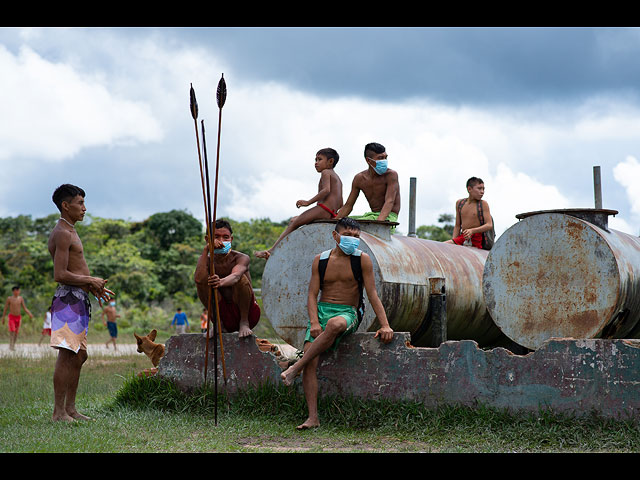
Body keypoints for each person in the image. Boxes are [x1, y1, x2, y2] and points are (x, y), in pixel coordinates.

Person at [280, 217, 394, 430]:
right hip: (322, 311)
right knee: (311, 363)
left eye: (356, 237)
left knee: (333, 325)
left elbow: (372, 295)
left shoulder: (363, 260)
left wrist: (385, 324)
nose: (353, 240)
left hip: (348, 313)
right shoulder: (320, 260)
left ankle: (294, 367)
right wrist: (314, 321)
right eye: (348, 235)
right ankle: (312, 418)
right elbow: (312, 294)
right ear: (335, 236)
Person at [48, 183, 113, 422]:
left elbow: (74, 269)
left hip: (78, 297)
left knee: (79, 355)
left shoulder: (71, 230)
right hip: (67, 298)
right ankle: (58, 412)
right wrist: (89, 279)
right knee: (67, 354)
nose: (84, 208)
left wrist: (93, 286)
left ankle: (71, 409)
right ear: (66, 206)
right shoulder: (63, 233)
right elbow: (60, 274)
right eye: (80, 203)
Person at [255, 148, 343, 259]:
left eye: (319, 159)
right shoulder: (338, 178)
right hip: (331, 212)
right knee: (294, 220)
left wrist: (308, 202)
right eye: (315, 159)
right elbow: (341, 202)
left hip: (324, 209)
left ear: (330, 161)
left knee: (294, 223)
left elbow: (326, 190)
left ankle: (271, 251)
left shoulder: (326, 172)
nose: (316, 163)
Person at [195, 219, 261, 338]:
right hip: (222, 314)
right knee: (203, 282)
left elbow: (236, 276)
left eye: (226, 237)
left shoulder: (241, 258)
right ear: (207, 240)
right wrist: (206, 249)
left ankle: (244, 323)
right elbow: (199, 281)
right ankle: (217, 323)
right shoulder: (206, 259)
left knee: (241, 278)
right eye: (216, 237)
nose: (221, 241)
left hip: (248, 314)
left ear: (231, 239)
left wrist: (220, 282)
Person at [336, 142, 400, 232]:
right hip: (371, 216)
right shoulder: (359, 178)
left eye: (385, 157)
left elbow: (390, 201)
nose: (384, 161)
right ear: (368, 160)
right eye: (380, 158)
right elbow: (348, 205)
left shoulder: (391, 175)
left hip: (388, 216)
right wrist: (334, 222)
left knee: (354, 225)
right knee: (343, 223)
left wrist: (379, 225)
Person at [446, 177, 493, 249]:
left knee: (444, 244)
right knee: (444, 246)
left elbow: (489, 225)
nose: (482, 191)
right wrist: (454, 243)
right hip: (463, 237)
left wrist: (472, 231)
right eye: (479, 188)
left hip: (476, 238)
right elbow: (457, 226)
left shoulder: (483, 204)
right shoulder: (460, 203)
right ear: (469, 189)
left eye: (483, 189)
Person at [2, 286, 34, 350]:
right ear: (13, 291)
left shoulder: (20, 298)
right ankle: (11, 346)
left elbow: (24, 308)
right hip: (11, 317)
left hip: (18, 317)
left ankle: (13, 345)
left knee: (16, 333)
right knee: (12, 331)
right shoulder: (9, 299)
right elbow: (5, 308)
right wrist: (3, 318)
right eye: (16, 290)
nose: (17, 292)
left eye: (18, 290)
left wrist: (29, 313)